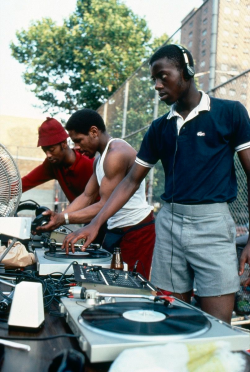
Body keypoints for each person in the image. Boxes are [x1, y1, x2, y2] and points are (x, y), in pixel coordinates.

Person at [73, 44, 250, 324]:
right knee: (176, 320)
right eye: (153, 79)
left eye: (163, 76)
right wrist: (96, 223)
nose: (157, 85)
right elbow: (131, 180)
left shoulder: (230, 113)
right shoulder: (159, 127)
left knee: (218, 326)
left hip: (213, 226)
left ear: (186, 71)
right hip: (169, 225)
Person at [38, 109, 155, 279]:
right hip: (115, 228)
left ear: (94, 132)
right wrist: (59, 217)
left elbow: (104, 204)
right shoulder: (99, 159)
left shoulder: (116, 153)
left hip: (136, 228)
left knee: (132, 288)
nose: (76, 147)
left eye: (78, 141)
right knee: (110, 283)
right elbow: (87, 196)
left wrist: (65, 219)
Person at [22, 117, 94, 203]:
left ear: (64, 144)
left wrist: (64, 216)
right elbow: (25, 183)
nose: (48, 155)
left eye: (51, 150)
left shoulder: (89, 164)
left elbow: (100, 204)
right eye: (45, 151)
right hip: (75, 213)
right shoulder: (52, 164)